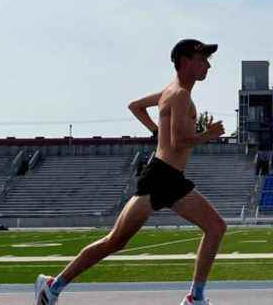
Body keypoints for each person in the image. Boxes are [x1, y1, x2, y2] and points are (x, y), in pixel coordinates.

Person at [34, 39, 226, 305]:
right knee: (120, 240)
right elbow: (177, 143)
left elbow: (135, 106)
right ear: (185, 61)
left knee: (118, 241)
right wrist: (209, 135)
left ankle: (53, 286)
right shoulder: (179, 94)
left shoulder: (171, 91)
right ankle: (53, 286)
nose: (207, 65)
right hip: (163, 177)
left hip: (166, 176)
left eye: (207, 60)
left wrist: (157, 131)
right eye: (202, 59)